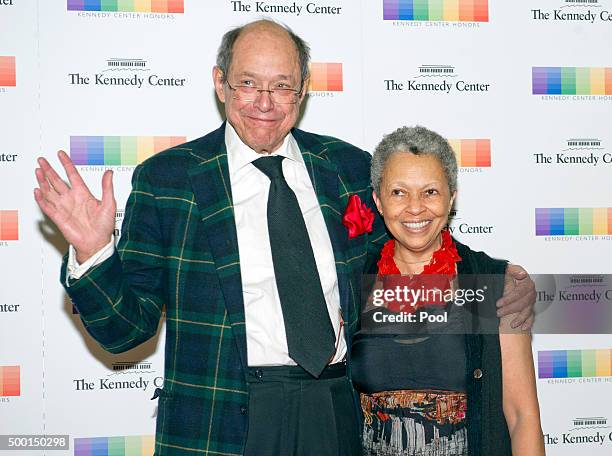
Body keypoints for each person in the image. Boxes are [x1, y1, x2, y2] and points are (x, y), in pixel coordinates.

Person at [33, 20, 536, 456]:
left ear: (303, 91)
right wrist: (94, 253)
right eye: (249, 83)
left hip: (337, 407)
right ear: (221, 84)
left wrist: (498, 285)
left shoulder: (347, 169)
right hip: (222, 418)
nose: (265, 103)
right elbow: (126, 332)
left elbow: (401, 258)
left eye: (282, 86)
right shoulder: (169, 180)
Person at [351, 126, 545, 456]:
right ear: (378, 201)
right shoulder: (353, 279)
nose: (415, 208)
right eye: (399, 192)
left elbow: (522, 417)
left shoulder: (490, 282)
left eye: (430, 192)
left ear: (451, 198)